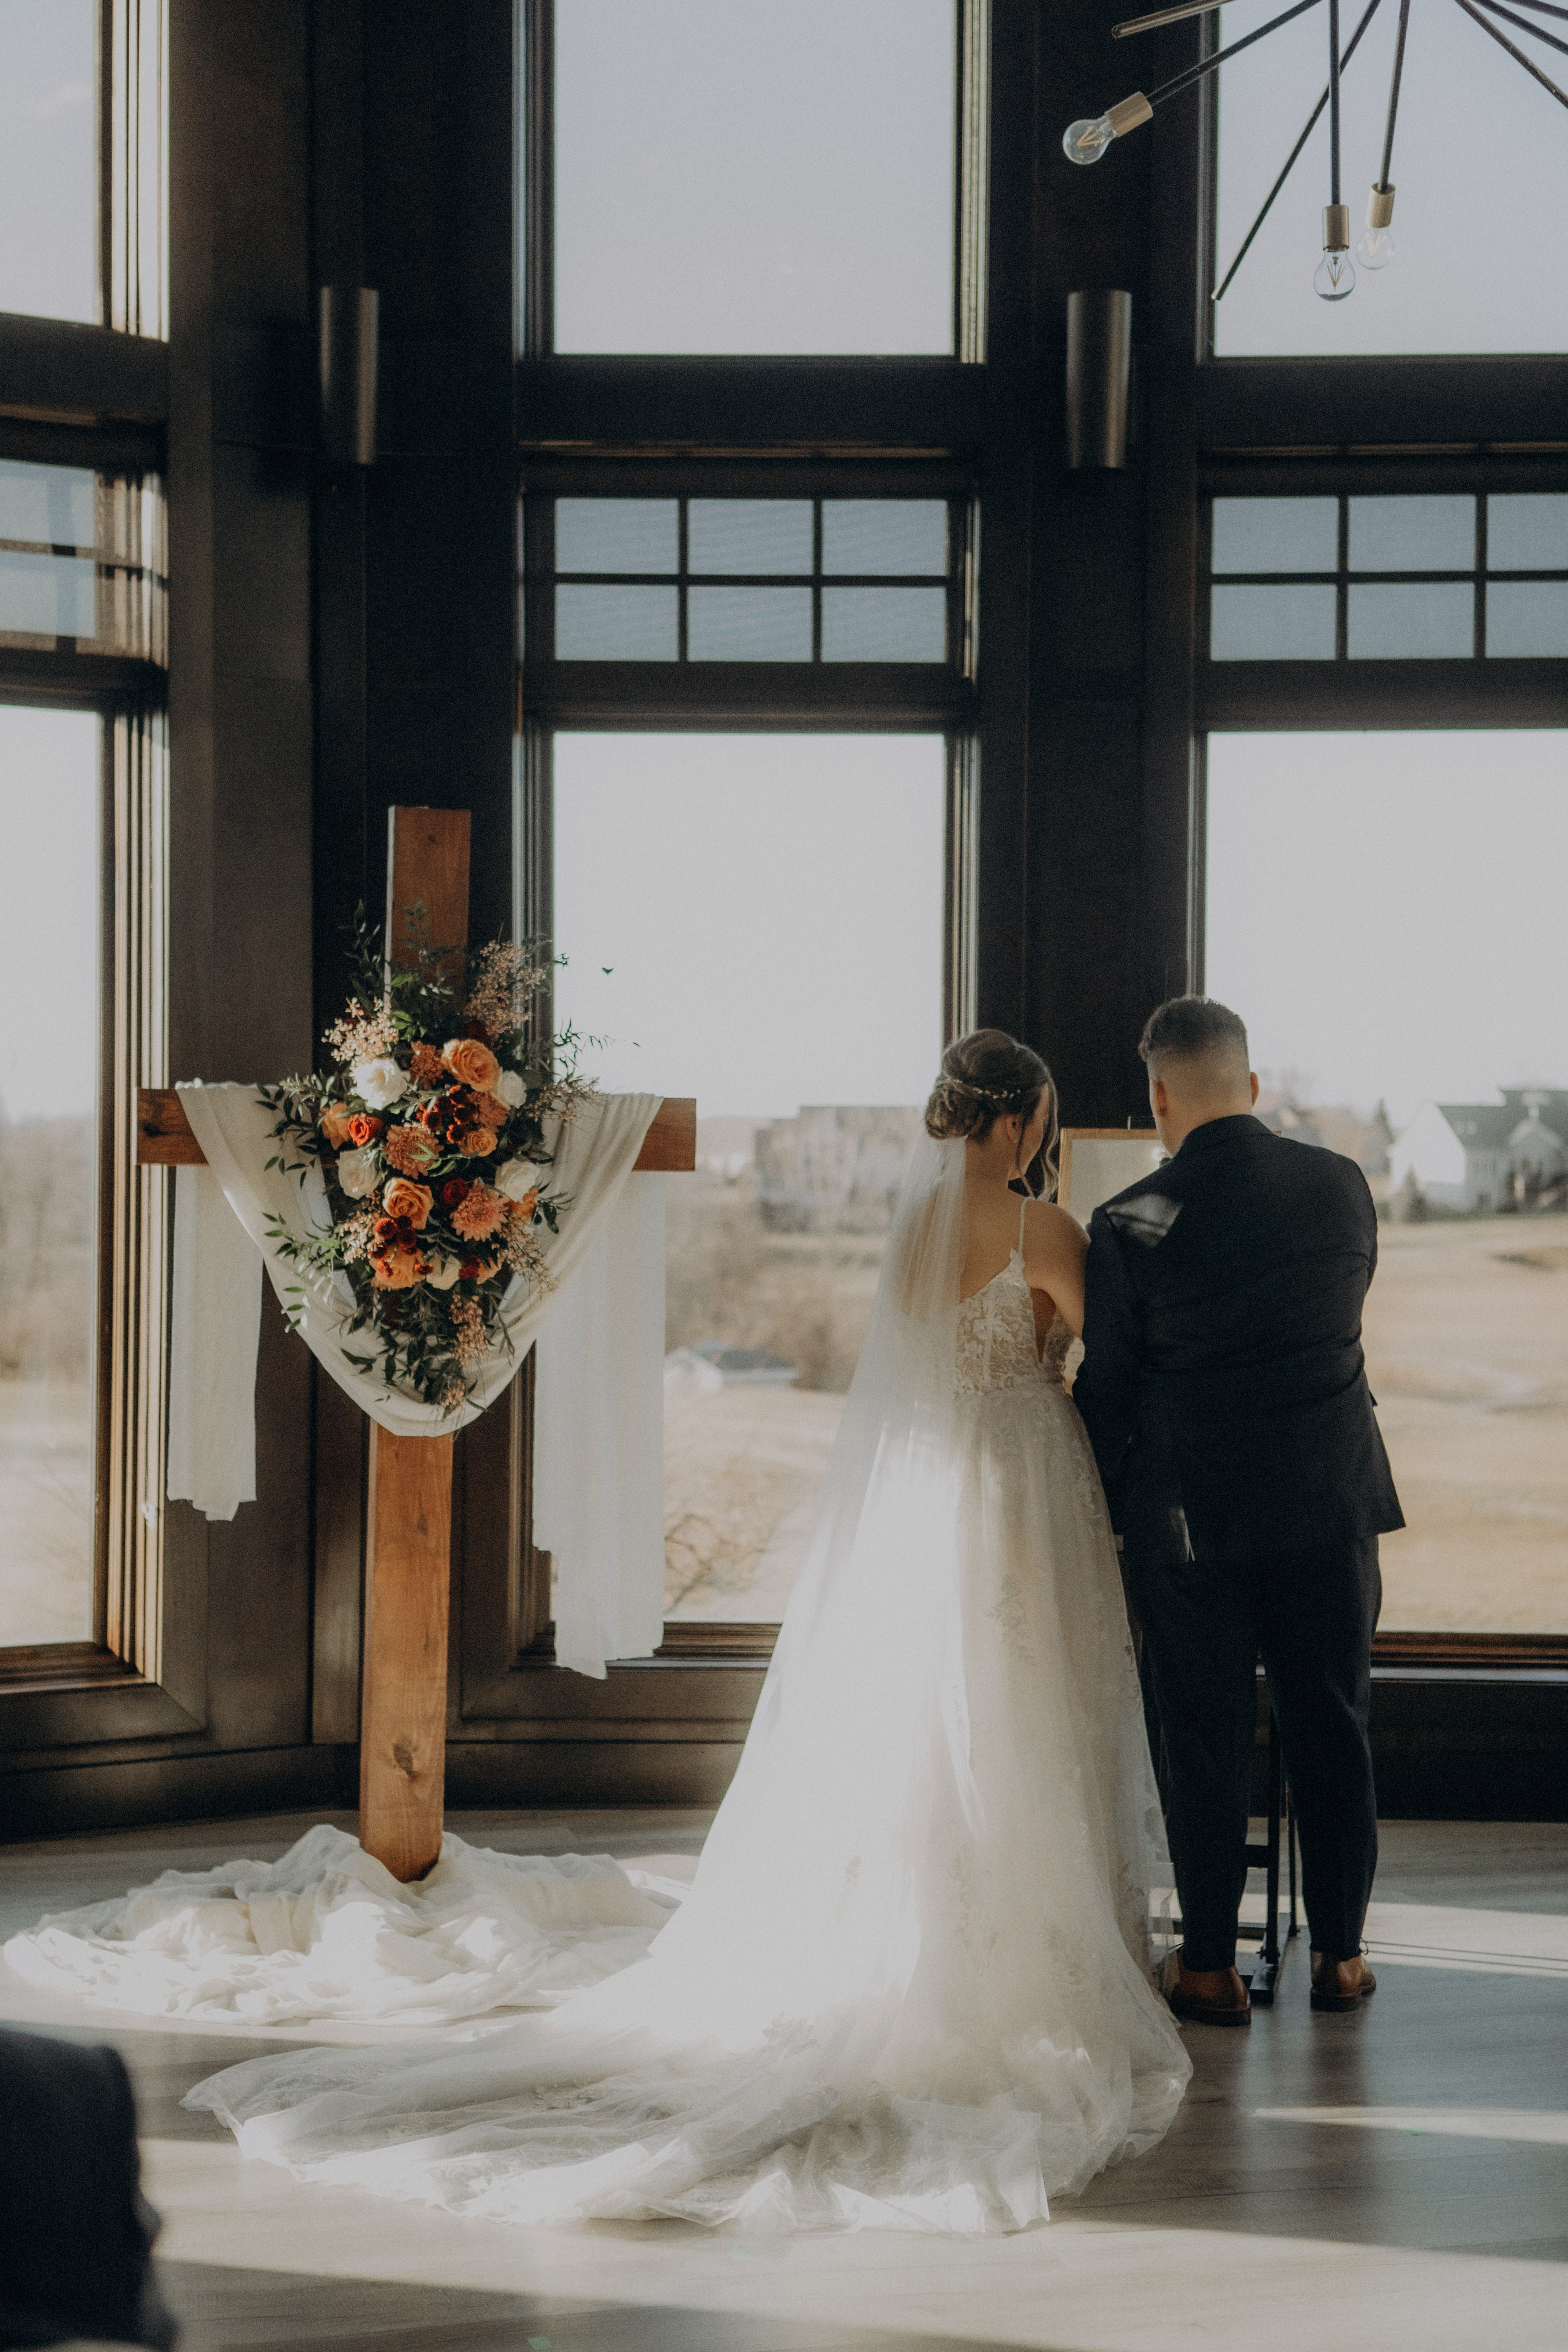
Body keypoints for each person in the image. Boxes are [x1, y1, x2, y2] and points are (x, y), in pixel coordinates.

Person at [172, 1030, 1189, 2234]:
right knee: (1024, 1703)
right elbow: (1105, 1360)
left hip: (926, 1496)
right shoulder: (1041, 1231)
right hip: (1016, 1484)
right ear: (1018, 1122)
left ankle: (934, 1913)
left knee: (934, 1706)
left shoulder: (911, 1232)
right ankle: (1032, 1952)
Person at [1074, 996, 1403, 2028]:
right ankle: (1341, 1958)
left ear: (1160, 1097)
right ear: (1252, 1086)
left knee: (1201, 1737)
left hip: (1189, 1526)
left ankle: (1209, 1968)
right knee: (1332, 1724)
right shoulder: (1342, 1185)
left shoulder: (1130, 1220)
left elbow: (1112, 1389)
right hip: (1329, 1501)